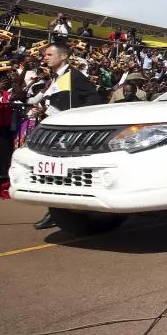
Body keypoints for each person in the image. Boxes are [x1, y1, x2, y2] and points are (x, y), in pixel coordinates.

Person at [32, 42, 101, 230]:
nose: (44, 57)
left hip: (67, 134)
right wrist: (43, 110)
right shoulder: (55, 77)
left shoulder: (75, 77)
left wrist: (74, 118)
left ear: (63, 56)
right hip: (52, 130)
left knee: (59, 171)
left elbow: (94, 100)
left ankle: (58, 212)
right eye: (44, 55)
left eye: (48, 54)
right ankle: (57, 210)